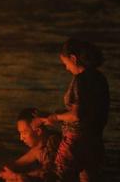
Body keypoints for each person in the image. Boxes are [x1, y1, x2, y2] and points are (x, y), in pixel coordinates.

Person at [32, 38, 109, 182]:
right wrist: (50, 116)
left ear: (73, 59)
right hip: (95, 142)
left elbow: (76, 115)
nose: (66, 68)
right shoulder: (100, 78)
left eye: (66, 63)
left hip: (75, 144)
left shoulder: (80, 80)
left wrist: (55, 117)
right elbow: (89, 112)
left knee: (58, 178)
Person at [0, 108, 61, 182]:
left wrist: (16, 176)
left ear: (38, 131)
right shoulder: (39, 148)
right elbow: (17, 164)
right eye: (20, 133)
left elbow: (48, 172)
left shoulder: (54, 142)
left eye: (24, 133)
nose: (21, 138)